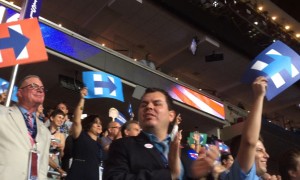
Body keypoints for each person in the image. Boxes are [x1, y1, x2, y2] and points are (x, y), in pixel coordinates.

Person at [103, 87, 219, 180]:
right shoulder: (123, 145)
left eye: (157, 103)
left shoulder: (187, 152)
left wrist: (205, 175)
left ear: (171, 115)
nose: (149, 107)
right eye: (144, 105)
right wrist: (170, 175)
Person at [220, 76, 280, 179]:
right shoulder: (239, 175)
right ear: (242, 154)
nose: (267, 155)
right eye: (259, 150)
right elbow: (249, 142)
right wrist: (259, 96)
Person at [0, 75, 50, 179]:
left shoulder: (45, 131)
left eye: (42, 88)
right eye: (33, 86)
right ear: (19, 92)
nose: (40, 90)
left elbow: (43, 168)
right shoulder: (2, 113)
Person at [66, 87, 103, 180]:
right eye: (96, 122)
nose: (99, 125)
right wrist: (82, 99)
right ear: (89, 125)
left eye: (100, 124)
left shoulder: (100, 144)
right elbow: (77, 120)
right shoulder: (81, 135)